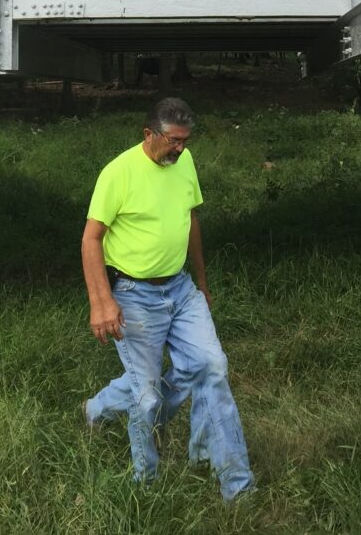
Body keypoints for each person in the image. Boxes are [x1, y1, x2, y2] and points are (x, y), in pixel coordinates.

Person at [79, 96, 254, 500]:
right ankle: (145, 484)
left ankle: (237, 487)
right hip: (134, 294)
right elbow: (91, 239)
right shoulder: (118, 173)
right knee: (148, 396)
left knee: (210, 367)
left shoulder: (184, 162)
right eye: (173, 141)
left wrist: (201, 281)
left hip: (180, 287)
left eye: (186, 141)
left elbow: (190, 219)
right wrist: (101, 302)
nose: (180, 148)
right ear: (149, 134)